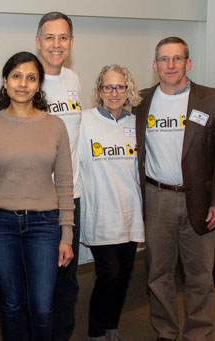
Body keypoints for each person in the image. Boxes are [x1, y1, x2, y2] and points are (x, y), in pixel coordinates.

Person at [134, 37, 215, 341]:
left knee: (200, 275)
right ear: (155, 65)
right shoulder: (140, 101)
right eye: (164, 59)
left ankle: (198, 334)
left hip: (200, 200)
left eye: (177, 59)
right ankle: (166, 331)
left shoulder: (213, 100)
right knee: (158, 274)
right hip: (157, 198)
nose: (171, 65)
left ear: (188, 63)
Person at [0, 51, 74, 341]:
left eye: (31, 78)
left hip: (44, 225)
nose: (23, 83)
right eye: (16, 76)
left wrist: (66, 234)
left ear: (39, 85)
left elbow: (65, 183)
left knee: (42, 307)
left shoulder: (55, 125)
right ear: (5, 82)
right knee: (12, 302)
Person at [78, 65, 144, 341]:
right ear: (99, 90)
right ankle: (96, 331)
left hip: (131, 212)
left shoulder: (136, 124)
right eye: (108, 87)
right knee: (108, 275)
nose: (114, 93)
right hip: (101, 212)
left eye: (120, 87)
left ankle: (111, 326)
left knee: (124, 275)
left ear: (128, 90)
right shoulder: (84, 122)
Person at [34, 12, 82, 340]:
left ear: (71, 43)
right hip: (35, 201)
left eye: (62, 37)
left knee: (67, 279)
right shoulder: (27, 81)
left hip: (70, 198)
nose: (56, 44)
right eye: (49, 37)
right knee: (35, 282)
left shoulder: (74, 80)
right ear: (38, 42)